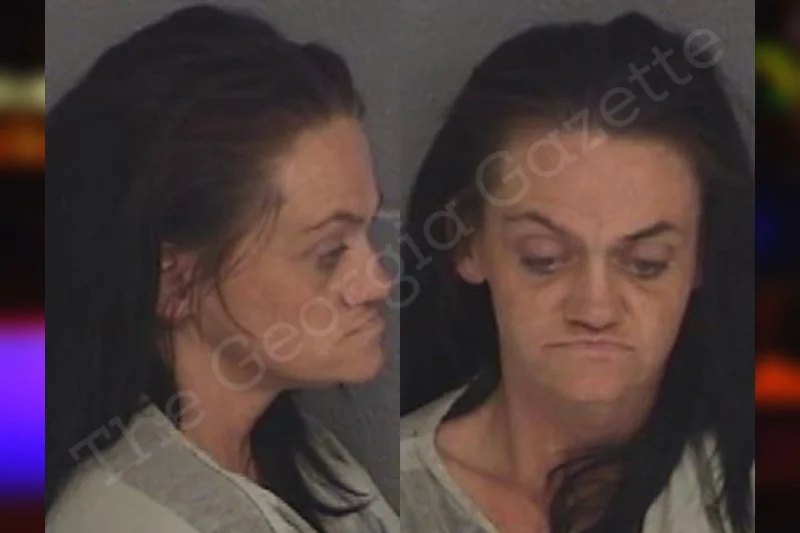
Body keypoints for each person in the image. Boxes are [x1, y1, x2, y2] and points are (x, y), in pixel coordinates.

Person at [46, 6, 398, 532]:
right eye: (329, 253)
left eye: (367, 229)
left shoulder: (299, 455)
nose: (378, 282)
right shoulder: (134, 520)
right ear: (174, 283)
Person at [400, 11, 753, 533]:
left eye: (647, 264)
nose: (595, 309)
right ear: (468, 244)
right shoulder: (388, 499)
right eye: (543, 258)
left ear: (703, 254)